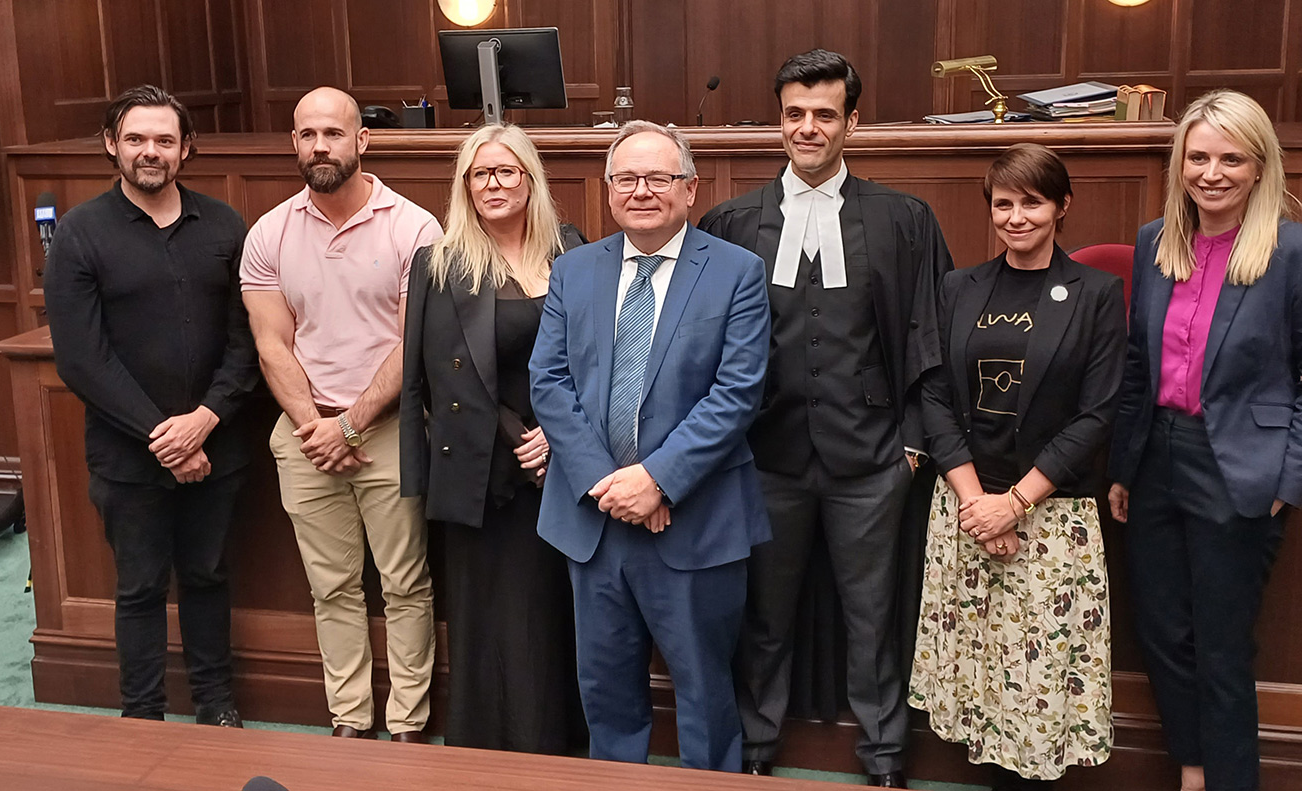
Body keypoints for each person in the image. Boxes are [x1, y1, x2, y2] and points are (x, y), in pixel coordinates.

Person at [698, 49, 953, 787]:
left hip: (873, 461)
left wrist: (910, 447)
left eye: (824, 115)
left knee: (874, 617)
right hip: (765, 458)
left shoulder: (905, 220)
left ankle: (883, 757)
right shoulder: (733, 221)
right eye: (794, 114)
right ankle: (754, 748)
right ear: (779, 120)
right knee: (765, 615)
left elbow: (926, 341)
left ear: (851, 121)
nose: (808, 128)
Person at [1108, 90, 1302, 791]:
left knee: (1219, 647)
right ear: (1180, 160)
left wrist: (1285, 483)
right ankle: (1192, 772)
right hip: (1157, 458)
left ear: (1259, 166)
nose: (1211, 172)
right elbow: (1137, 365)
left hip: (1240, 469)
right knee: (1163, 635)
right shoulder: (1157, 240)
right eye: (1199, 155)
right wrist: (1125, 464)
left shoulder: (1301, 253)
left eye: (1230, 158)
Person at [529, 121, 772, 772]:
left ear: (689, 189)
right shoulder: (574, 270)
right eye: (626, 178)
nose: (641, 191)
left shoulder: (736, 273)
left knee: (704, 691)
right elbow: (548, 382)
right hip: (595, 523)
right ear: (607, 191)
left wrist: (657, 480)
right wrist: (614, 486)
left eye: (658, 178)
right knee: (606, 693)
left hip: (696, 519)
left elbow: (737, 392)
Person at [906, 143, 1123, 790]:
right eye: (1004, 203)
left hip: (1049, 515)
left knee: (1037, 680)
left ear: (1062, 207)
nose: (1017, 216)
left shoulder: (1097, 294)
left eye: (1032, 202)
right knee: (981, 675)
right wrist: (978, 504)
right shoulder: (959, 286)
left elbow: (1098, 411)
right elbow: (936, 394)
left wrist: (1015, 503)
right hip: (967, 508)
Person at [43, 84, 257, 726]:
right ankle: (143, 716)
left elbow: (249, 340)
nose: (149, 152)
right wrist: (165, 439)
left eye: (164, 140)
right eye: (135, 139)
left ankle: (217, 707)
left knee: (208, 576)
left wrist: (205, 422)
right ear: (112, 145)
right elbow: (82, 358)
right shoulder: (79, 233)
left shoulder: (224, 225)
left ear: (186, 148)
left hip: (218, 442)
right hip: (126, 456)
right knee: (138, 590)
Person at [241, 86, 440, 742]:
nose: (319, 145)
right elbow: (272, 341)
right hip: (305, 436)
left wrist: (350, 424)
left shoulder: (413, 226)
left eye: (332, 132)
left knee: (406, 584)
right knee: (332, 590)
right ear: (293, 143)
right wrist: (315, 427)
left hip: (387, 432)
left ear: (364, 140)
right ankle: (350, 720)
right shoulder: (269, 232)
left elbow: (412, 342)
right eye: (306, 134)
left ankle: (408, 723)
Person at [399, 123, 587, 753]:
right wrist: (520, 436)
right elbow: (435, 372)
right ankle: (485, 755)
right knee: (486, 621)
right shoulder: (440, 263)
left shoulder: (571, 250)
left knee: (552, 615)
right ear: (464, 187)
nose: (494, 184)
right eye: (480, 174)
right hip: (482, 467)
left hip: (565, 466)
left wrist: (559, 438)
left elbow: (598, 360)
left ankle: (554, 750)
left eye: (507, 171)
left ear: (530, 180)